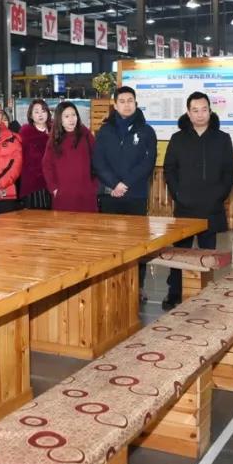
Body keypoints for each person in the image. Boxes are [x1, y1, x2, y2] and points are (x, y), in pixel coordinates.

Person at [162, 91, 233, 310]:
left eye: (204, 109)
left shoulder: (222, 138)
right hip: (184, 207)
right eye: (195, 110)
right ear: (188, 113)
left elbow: (229, 171)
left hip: (211, 207)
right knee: (178, 255)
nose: (200, 114)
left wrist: (219, 195)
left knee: (208, 256)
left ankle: (207, 294)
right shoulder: (178, 138)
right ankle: (174, 292)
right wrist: (178, 194)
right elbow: (169, 169)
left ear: (210, 111)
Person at [93, 85, 157, 302]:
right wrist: (114, 184)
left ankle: (138, 286)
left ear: (136, 103)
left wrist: (126, 183)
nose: (127, 105)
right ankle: (110, 285)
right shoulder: (105, 131)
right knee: (110, 244)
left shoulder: (146, 131)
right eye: (122, 101)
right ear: (115, 104)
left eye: (130, 101)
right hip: (110, 196)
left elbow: (148, 162)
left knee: (137, 244)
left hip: (135, 195)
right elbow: (98, 162)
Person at [42, 101, 98, 213]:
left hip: (86, 194)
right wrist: (54, 188)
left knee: (88, 223)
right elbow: (47, 166)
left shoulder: (86, 135)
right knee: (64, 223)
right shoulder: (54, 141)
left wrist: (94, 186)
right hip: (63, 195)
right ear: (60, 119)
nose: (71, 119)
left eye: (74, 115)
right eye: (67, 116)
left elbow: (97, 160)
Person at [19, 99, 53, 209]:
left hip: (52, 181)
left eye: (43, 111)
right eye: (36, 112)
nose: (40, 115)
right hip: (33, 183)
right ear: (31, 115)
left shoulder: (55, 131)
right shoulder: (25, 133)